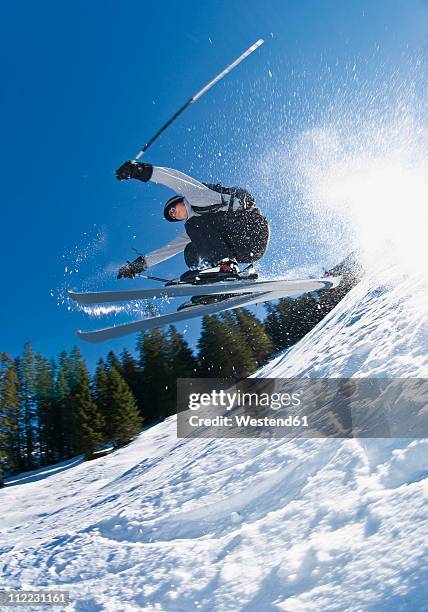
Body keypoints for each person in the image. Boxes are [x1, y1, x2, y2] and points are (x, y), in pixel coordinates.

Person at [115, 160, 270, 280]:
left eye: (172, 210)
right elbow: (168, 250)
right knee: (190, 251)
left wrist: (140, 171)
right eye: (172, 218)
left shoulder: (196, 197)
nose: (174, 215)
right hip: (248, 250)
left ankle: (226, 266)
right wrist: (137, 266)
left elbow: (173, 178)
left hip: (252, 228)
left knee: (193, 224)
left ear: (180, 201)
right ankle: (215, 277)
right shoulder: (199, 227)